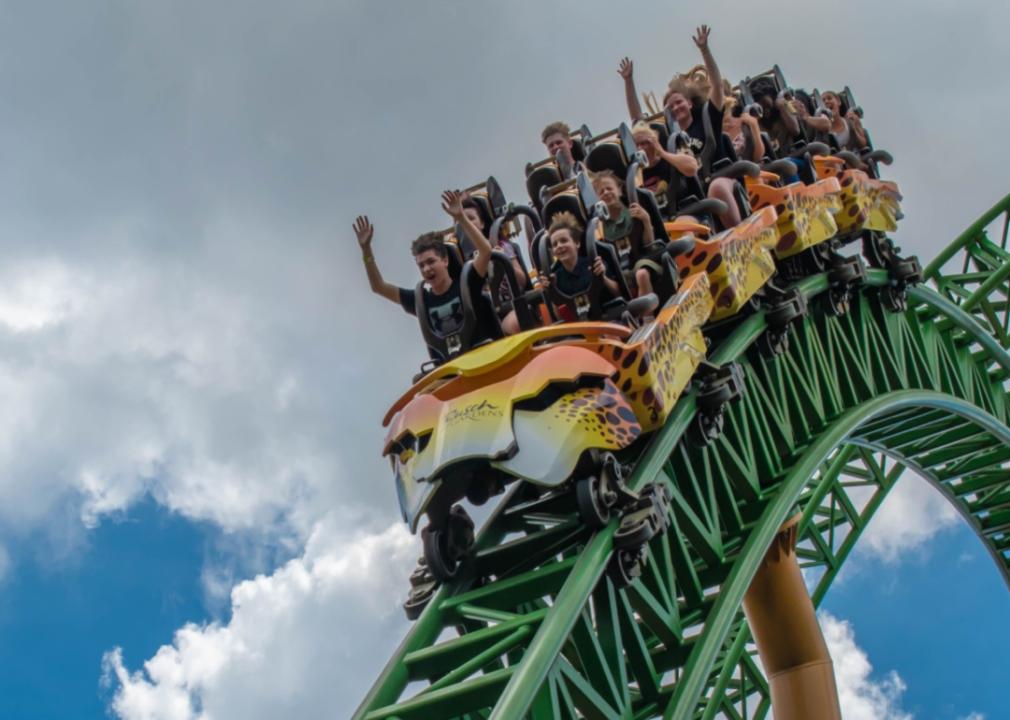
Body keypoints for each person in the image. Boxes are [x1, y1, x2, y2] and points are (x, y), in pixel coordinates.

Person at [353, 190, 515, 359]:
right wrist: (366, 250)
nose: (426, 269)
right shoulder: (420, 300)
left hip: (488, 357)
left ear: (445, 260)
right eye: (421, 265)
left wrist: (461, 218)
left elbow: (485, 251)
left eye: (431, 262)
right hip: (455, 371)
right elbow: (378, 287)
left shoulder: (467, 284)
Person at [618, 26, 741, 227]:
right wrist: (628, 81)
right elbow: (638, 124)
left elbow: (717, 87)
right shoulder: (667, 137)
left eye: (679, 102)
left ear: (690, 103)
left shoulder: (706, 118)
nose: (675, 107)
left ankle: (740, 234)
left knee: (716, 188)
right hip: (691, 194)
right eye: (670, 105)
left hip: (720, 179)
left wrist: (704, 50)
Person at [590, 169, 662, 297]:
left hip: (644, 261)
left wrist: (646, 220)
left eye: (609, 188)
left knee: (641, 274)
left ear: (619, 190)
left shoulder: (634, 211)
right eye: (601, 192)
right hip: (619, 275)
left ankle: (648, 316)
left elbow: (649, 244)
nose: (606, 193)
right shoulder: (597, 228)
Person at [539, 211, 621, 321]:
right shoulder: (556, 277)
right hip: (581, 329)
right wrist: (552, 291)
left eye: (564, 241)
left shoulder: (594, 264)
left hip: (609, 319)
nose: (559, 246)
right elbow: (559, 317)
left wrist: (603, 277)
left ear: (577, 243)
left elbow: (619, 293)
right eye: (555, 244)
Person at [631, 121, 700, 213]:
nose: (639, 149)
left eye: (644, 143)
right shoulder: (634, 174)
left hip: (684, 210)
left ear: (655, 143)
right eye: (636, 145)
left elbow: (692, 168)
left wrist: (662, 153)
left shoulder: (670, 158)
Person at [722, 96, 765, 163]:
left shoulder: (745, 122)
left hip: (752, 168)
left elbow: (758, 157)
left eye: (726, 110)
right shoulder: (713, 135)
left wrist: (754, 126)